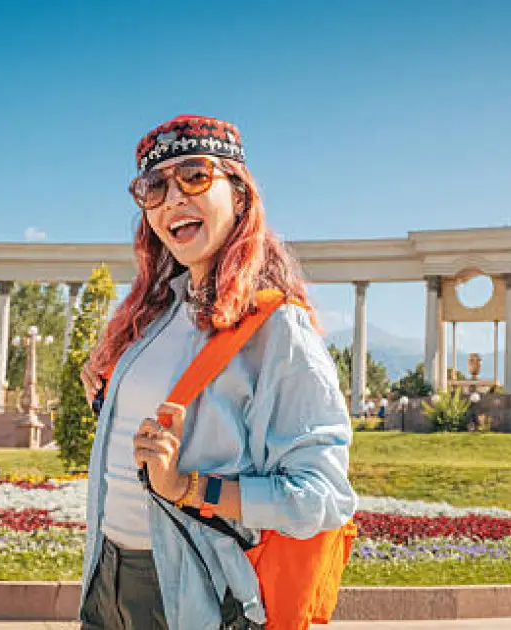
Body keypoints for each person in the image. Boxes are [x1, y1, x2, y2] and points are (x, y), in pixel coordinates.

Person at [78, 114, 359, 630]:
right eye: (154, 187)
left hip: (198, 591)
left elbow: (322, 497)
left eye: (194, 176)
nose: (172, 200)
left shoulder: (277, 328)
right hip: (106, 572)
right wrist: (108, 390)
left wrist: (189, 487)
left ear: (240, 195)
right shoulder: (152, 319)